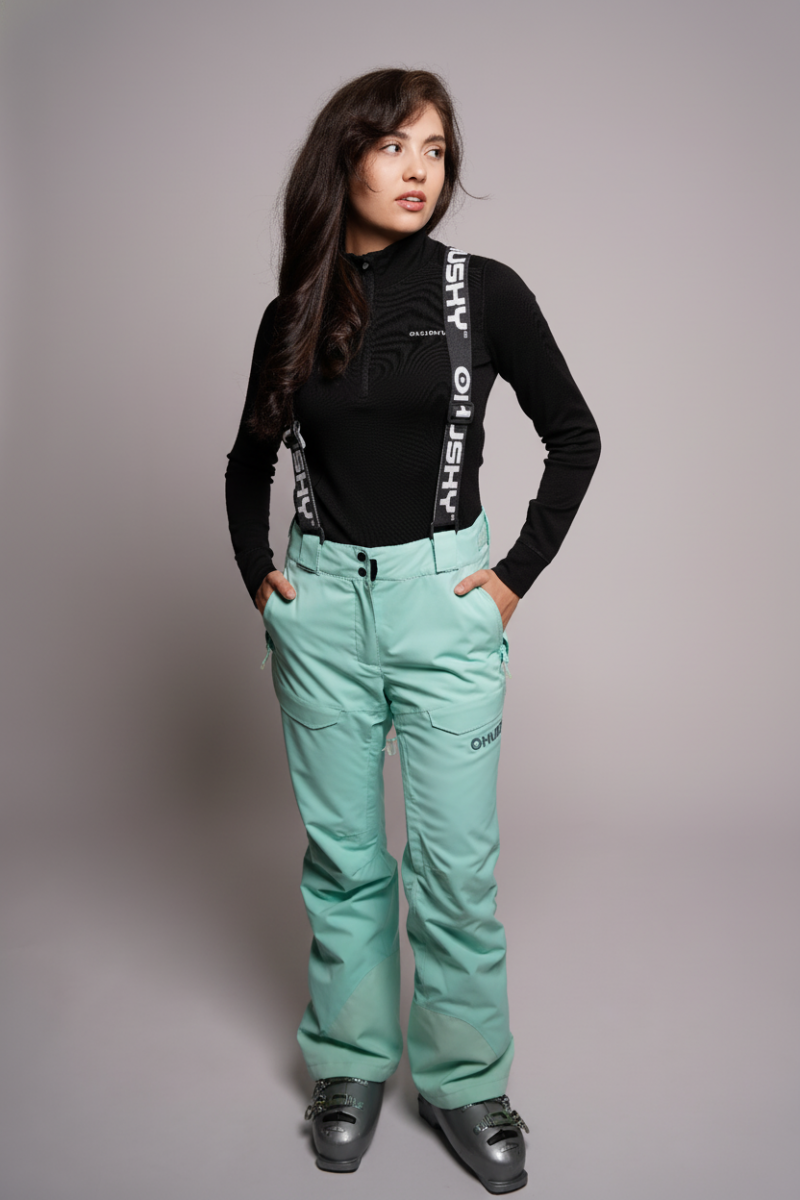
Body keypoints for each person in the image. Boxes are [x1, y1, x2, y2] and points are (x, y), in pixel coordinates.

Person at [225, 67, 600, 1194]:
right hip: (323, 610)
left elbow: (574, 435)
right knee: (344, 863)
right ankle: (348, 1065)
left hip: (445, 604)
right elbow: (248, 465)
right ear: (342, 158)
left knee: (453, 868)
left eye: (434, 149)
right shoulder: (293, 312)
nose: (418, 169)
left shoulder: (484, 292)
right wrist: (262, 583)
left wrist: (510, 579)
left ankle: (464, 1080)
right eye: (394, 145)